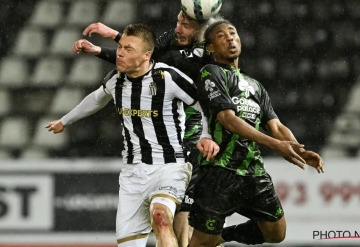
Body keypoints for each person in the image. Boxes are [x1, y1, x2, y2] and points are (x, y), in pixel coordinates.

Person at [46, 23, 219, 247]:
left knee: (161, 217)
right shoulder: (115, 80)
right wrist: (64, 121)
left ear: (147, 55)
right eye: (120, 48)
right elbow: (96, 99)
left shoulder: (167, 78)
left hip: (169, 167)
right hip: (132, 174)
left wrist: (206, 135)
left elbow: (201, 102)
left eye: (129, 49)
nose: (120, 53)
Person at [188, 19, 325, 247]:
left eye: (233, 33)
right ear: (211, 48)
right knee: (200, 243)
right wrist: (275, 145)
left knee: (276, 233)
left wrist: (299, 149)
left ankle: (223, 236)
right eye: (221, 36)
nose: (230, 38)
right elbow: (228, 119)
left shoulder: (256, 85)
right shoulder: (211, 73)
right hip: (219, 174)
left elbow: (276, 126)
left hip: (253, 173)